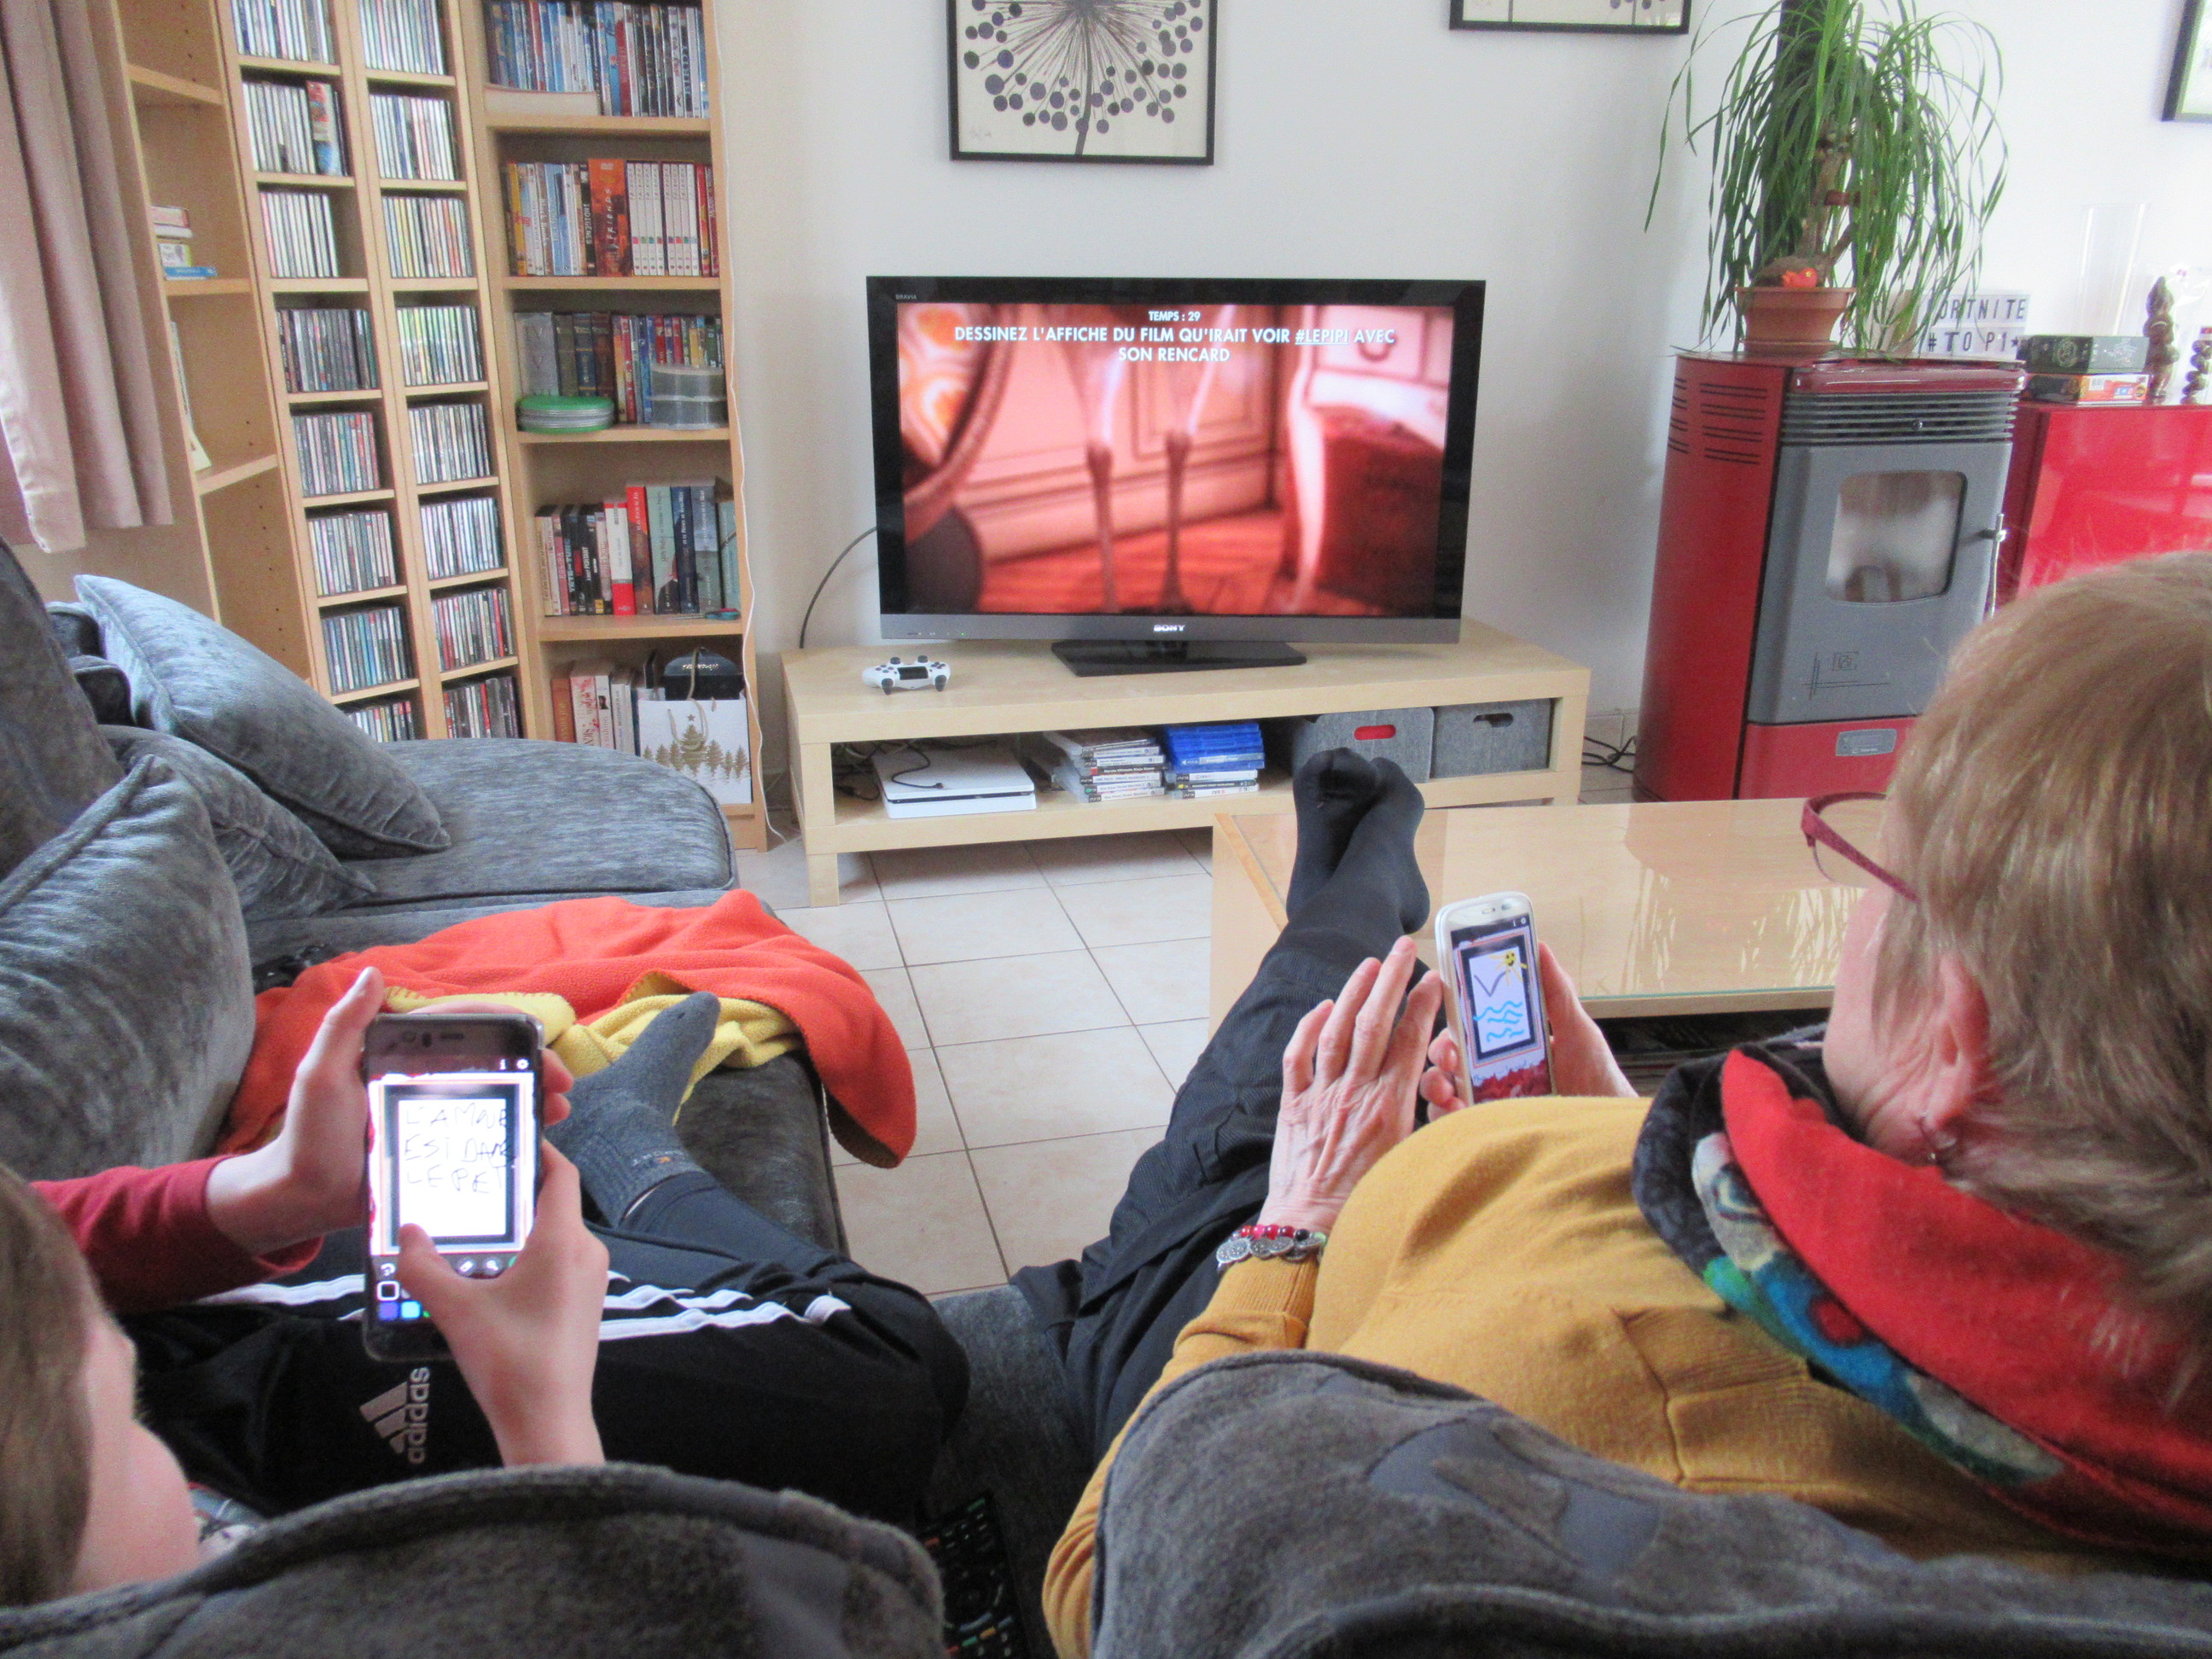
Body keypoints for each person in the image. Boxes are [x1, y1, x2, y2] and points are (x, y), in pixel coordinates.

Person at [1025, 553, 2212, 1659]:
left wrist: (1299, 1216)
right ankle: (1356, 880)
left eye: (1873, 869)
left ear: (1956, 1043)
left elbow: (1108, 1587)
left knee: (1241, 1117)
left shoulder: (1589, 1399)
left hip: (1255, 1317)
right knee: (1315, 1033)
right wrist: (1636, 1132)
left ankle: (1357, 879)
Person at [1, 975, 968, 1606]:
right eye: (123, 1424)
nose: (132, 1391)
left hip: (246, 1335)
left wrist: (266, 1194)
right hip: (282, 1414)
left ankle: (616, 1152)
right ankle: (629, 1148)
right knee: (895, 1357)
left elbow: (42, 1234)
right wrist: (548, 1435)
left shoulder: (92, 1498)